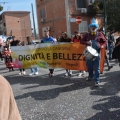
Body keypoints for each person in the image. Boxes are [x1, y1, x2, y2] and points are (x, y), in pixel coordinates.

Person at [80, 18, 107, 86]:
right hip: (88, 53)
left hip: (97, 53)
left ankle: (96, 80)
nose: (93, 28)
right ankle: (90, 76)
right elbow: (81, 41)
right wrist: (87, 42)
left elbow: (105, 41)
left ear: (96, 27)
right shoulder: (87, 34)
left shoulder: (100, 34)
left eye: (94, 27)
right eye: (92, 26)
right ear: (90, 27)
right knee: (89, 66)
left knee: (96, 67)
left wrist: (103, 46)